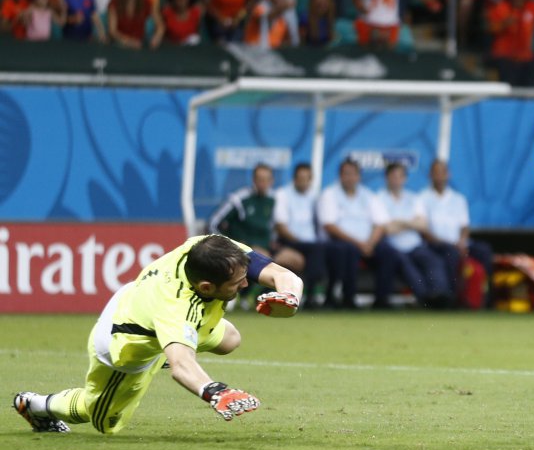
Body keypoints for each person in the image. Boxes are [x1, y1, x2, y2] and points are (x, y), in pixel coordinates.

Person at [12, 234, 302, 434]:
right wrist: (214, 390)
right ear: (205, 287)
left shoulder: (213, 247)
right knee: (103, 421)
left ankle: (170, 347)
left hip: (144, 303)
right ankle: (36, 406)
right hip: (126, 344)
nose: (244, 285)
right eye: (237, 282)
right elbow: (182, 367)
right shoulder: (175, 308)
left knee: (230, 339)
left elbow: (285, 275)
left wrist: (289, 297)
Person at [209, 163, 305, 309]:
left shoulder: (274, 200)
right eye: (259, 179)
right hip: (243, 249)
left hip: (267, 248)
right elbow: (214, 223)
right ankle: (245, 296)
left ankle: (271, 296)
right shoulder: (240, 199)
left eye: (266, 179)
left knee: (296, 260)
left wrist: (274, 241)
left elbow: (273, 226)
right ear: (253, 180)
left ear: (271, 181)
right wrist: (231, 244)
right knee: (264, 257)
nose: (263, 183)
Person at [317, 157, 399, 309]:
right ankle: (348, 298)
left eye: (353, 174)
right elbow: (330, 226)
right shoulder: (330, 194)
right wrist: (359, 244)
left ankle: (382, 300)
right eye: (346, 174)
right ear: (340, 176)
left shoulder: (368, 195)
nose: (350, 177)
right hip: (340, 243)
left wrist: (370, 244)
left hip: (367, 242)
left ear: (359, 176)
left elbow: (379, 224)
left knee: (388, 251)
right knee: (348, 250)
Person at [419, 159, 494, 309]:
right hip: (436, 244)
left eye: (443, 172)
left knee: (484, 250)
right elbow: (424, 230)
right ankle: (453, 299)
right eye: (436, 172)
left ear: (449, 174)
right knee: (450, 252)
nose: (440, 176)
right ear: (430, 175)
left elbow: (464, 226)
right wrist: (452, 245)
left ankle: (487, 299)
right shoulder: (422, 198)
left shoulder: (458, 199)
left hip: (459, 243)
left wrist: (462, 242)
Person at [379, 162, 453, 308]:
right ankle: (426, 299)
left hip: (415, 245)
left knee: (434, 261)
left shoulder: (414, 198)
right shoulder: (378, 198)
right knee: (407, 267)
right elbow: (386, 229)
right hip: (393, 247)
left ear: (405, 179)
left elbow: (423, 225)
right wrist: (411, 223)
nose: (396, 180)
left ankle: (441, 295)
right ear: (386, 178)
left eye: (400, 176)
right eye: (393, 176)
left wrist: (399, 222)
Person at [273, 163, 328, 307]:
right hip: (289, 240)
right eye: (300, 178)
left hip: (312, 244)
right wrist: (299, 241)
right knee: (315, 251)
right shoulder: (282, 194)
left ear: (311, 180)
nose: (303, 182)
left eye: (306, 178)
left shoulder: (315, 196)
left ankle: (316, 296)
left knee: (326, 249)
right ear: (294, 178)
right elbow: (281, 226)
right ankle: (310, 296)